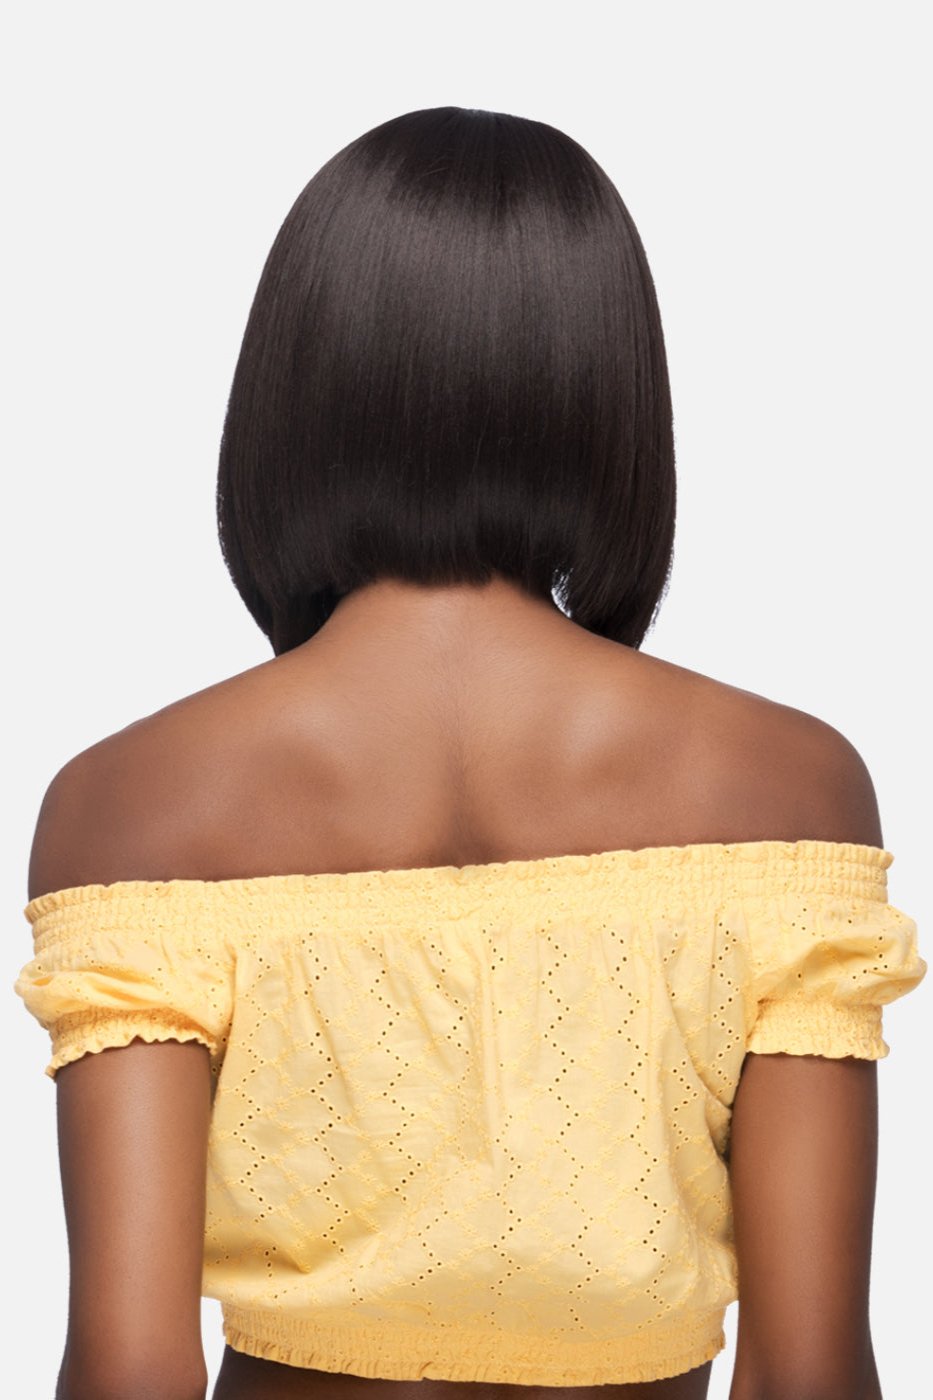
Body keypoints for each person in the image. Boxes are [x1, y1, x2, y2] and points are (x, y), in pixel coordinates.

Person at [15, 106, 926, 1400]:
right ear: (606, 398)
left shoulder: (133, 803)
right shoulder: (787, 786)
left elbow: (127, 1366)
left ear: (293, 396)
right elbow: (810, 1370)